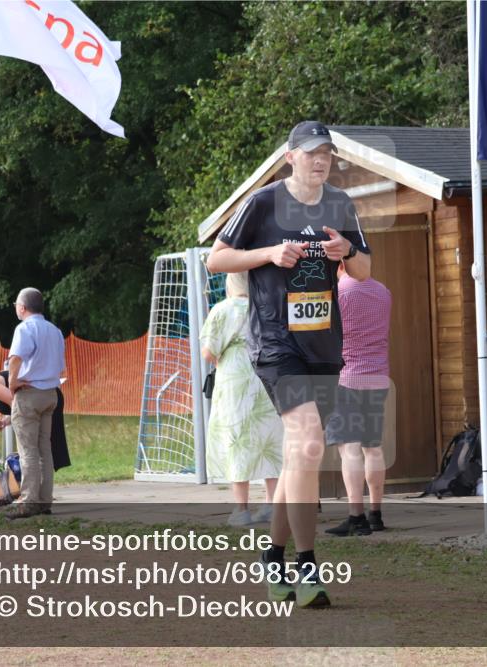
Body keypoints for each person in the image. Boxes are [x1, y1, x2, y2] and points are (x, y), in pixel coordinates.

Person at [206, 120, 371, 608]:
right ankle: (307, 567)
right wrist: (269, 254)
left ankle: (272, 558)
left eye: (328, 153)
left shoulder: (341, 203)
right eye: (312, 152)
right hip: (277, 343)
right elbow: (216, 260)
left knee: (301, 455)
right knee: (310, 444)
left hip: (324, 344)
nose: (322, 160)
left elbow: (364, 270)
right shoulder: (263, 203)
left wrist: (348, 252)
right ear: (290, 157)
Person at [200, 271, 282, 526]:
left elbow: (208, 352)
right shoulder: (266, 305)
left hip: (235, 381)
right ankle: (271, 503)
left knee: (237, 440)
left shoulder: (222, 309)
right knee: (268, 438)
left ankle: (242, 508)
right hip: (265, 376)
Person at [324, 263, 392, 536]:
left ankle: (356, 517)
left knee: (349, 449)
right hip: (378, 377)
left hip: (346, 378)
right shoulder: (383, 292)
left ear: (339, 265)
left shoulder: (337, 294)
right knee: (373, 448)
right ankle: (375, 514)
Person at [5, 287, 66, 519]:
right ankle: (44, 500)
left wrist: (12, 383)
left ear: (22, 307)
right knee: (44, 449)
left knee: (27, 450)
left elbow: (16, 358)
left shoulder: (24, 329)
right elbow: (60, 363)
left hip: (29, 393)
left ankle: (28, 500)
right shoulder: (55, 330)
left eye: (16, 305)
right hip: (50, 392)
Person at [0, 366, 70, 476]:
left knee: (36, 450)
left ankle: (33, 493)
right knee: (42, 449)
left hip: (41, 399)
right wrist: (3, 422)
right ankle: (42, 493)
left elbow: (17, 404)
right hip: (41, 398)